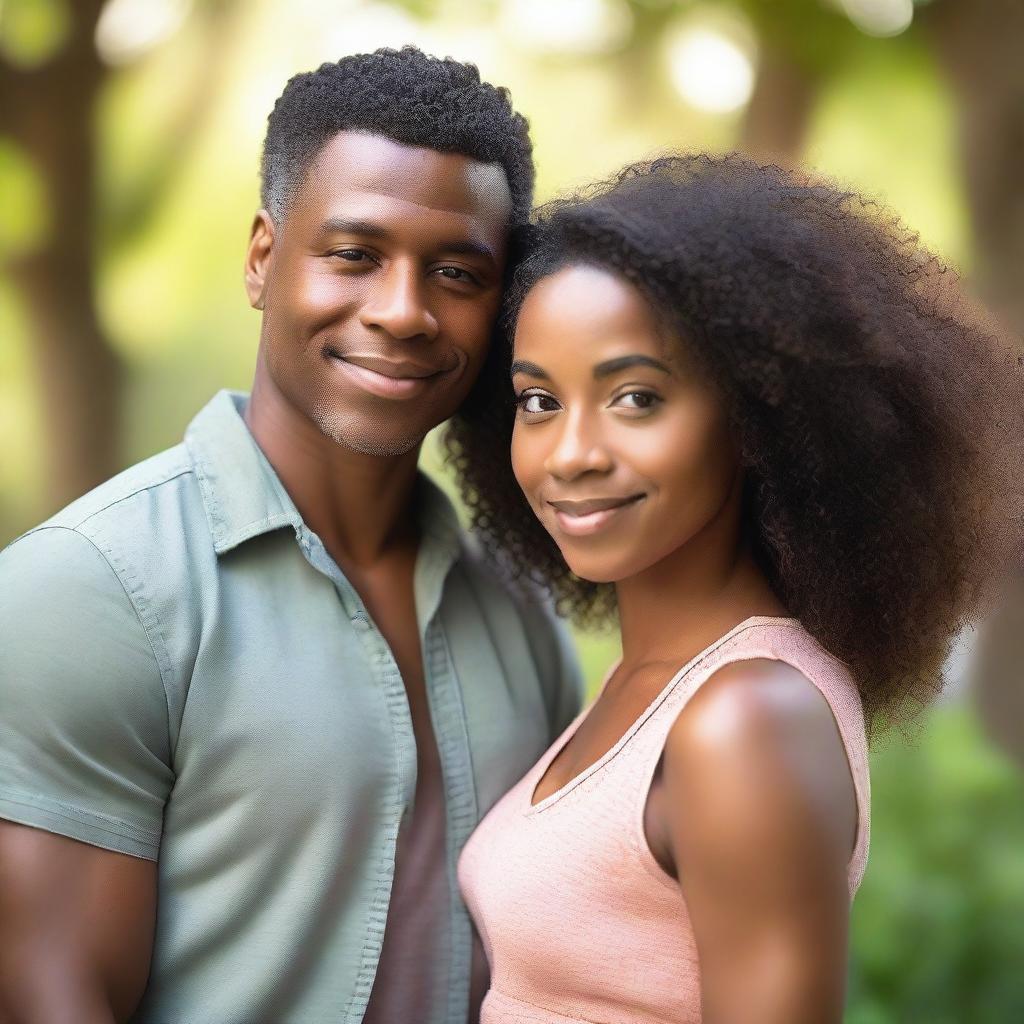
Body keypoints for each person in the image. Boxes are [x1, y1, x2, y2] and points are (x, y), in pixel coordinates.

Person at [0, 47, 581, 1024]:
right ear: (264, 258)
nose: (402, 311)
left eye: (455, 272)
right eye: (354, 255)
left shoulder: (524, 615)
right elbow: (52, 994)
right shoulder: (86, 592)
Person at [450, 154, 1024, 1023]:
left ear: (757, 420)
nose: (570, 453)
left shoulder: (745, 716)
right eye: (539, 401)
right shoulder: (653, 686)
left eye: (636, 397)